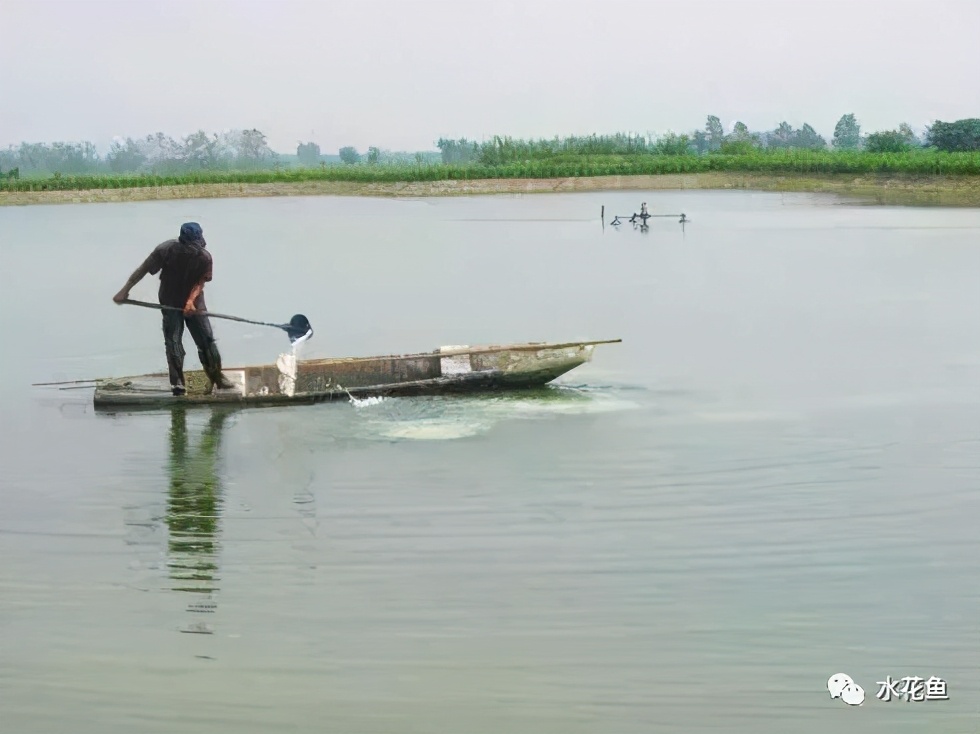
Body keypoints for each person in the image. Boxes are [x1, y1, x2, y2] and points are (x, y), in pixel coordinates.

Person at [113, 222, 235, 396]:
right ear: (182, 241)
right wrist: (124, 291)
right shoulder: (165, 250)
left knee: (206, 341)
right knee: (173, 342)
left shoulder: (204, 257)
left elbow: (200, 282)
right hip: (169, 301)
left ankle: (217, 378)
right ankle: (177, 382)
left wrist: (190, 302)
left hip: (195, 304)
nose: (194, 249)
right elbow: (143, 269)